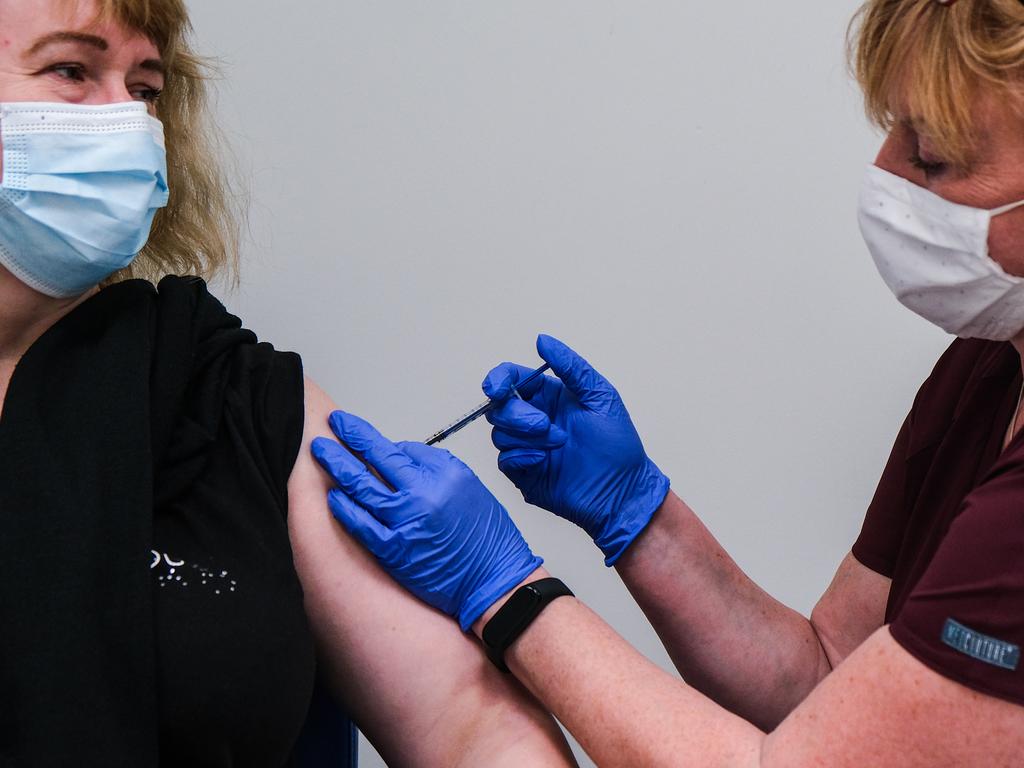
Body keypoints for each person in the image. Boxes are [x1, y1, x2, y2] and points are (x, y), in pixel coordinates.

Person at [312, 0, 1024, 764]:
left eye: (933, 157)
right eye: (893, 132)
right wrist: (636, 512)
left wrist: (502, 590)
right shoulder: (985, 369)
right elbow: (827, 682)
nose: (884, 177)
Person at [0, 0, 579, 765]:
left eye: (146, 89)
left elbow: (470, 730)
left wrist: (524, 585)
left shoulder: (228, 393)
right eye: (71, 70)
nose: (130, 125)